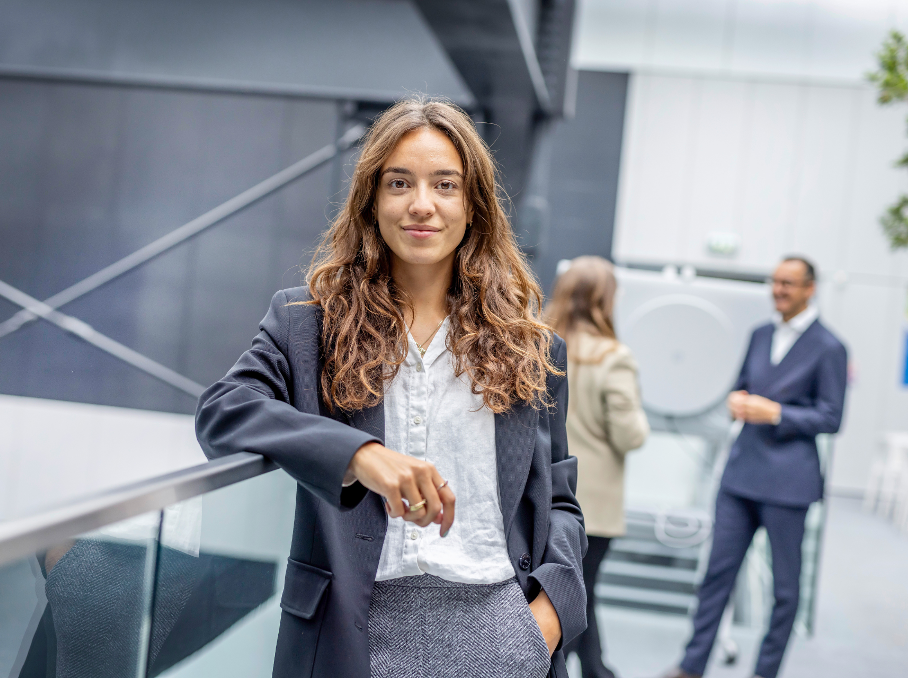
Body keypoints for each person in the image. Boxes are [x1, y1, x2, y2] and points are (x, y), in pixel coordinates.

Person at [195, 98, 588, 678]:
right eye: (399, 182)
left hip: (500, 633)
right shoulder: (309, 324)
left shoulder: (529, 348)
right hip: (352, 635)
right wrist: (360, 456)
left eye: (445, 185)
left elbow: (558, 501)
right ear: (372, 200)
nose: (421, 205)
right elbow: (224, 412)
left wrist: (548, 618)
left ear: (473, 204)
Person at [659, 256, 848, 678]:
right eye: (775, 282)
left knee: (785, 591)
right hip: (740, 477)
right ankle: (691, 666)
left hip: (788, 483)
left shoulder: (830, 348)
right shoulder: (760, 334)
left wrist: (777, 413)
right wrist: (736, 401)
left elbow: (832, 418)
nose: (778, 290)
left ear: (810, 289)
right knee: (716, 578)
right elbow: (744, 383)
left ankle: (765, 673)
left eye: (788, 284)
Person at [545, 257, 649, 678]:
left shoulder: (539, 343)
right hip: (594, 506)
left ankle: (595, 668)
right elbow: (630, 435)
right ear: (604, 300)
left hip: (547, 493)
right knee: (580, 591)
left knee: (568, 590)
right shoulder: (614, 358)